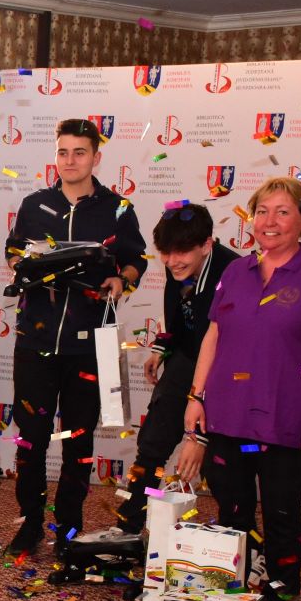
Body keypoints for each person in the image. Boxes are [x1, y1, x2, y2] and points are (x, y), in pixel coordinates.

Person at [176, 176, 301, 601]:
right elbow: (213, 337)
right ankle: (240, 596)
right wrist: (196, 396)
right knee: (233, 513)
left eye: (283, 211)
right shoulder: (235, 272)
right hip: (229, 419)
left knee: (281, 517)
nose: (270, 221)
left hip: (286, 422)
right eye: (262, 211)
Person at [3, 118, 147, 558]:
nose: (70, 161)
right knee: (31, 437)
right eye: (63, 152)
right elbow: (13, 251)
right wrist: (22, 266)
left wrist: (122, 279)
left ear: (96, 158)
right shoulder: (34, 204)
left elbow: (136, 259)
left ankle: (68, 527)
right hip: (35, 342)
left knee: (78, 441)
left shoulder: (118, 208)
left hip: (88, 345)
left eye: (79, 153)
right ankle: (30, 523)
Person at [78, 203, 236, 542]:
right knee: (152, 444)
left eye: (181, 253)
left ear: (206, 245)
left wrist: (199, 436)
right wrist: (162, 348)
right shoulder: (176, 265)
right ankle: (129, 524)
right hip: (186, 359)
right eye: (165, 253)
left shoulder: (233, 272)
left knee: (219, 464)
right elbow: (178, 311)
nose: (172, 261)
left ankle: (235, 539)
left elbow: (225, 344)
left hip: (225, 370)